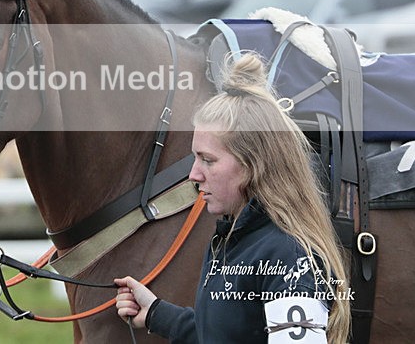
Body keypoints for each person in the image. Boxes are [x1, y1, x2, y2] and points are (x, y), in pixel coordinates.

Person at [115, 52, 350, 343]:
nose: (194, 175)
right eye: (195, 158)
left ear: (252, 166)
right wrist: (155, 313)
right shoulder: (230, 239)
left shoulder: (289, 256)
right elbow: (221, 335)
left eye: (208, 160)